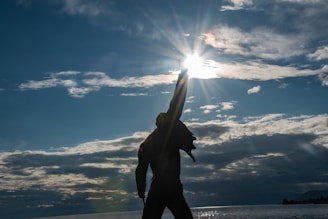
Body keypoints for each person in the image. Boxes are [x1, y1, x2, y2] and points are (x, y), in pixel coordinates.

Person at [135, 68, 196, 219]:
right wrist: (182, 79)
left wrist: (141, 189)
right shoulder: (166, 134)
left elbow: (141, 169)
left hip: (157, 189)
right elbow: (177, 103)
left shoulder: (146, 144)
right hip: (171, 188)